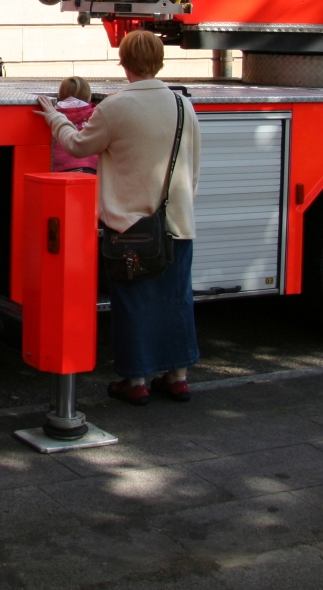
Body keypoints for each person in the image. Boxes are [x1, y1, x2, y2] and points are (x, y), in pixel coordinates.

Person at [36, 31, 202, 405]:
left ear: (123, 62)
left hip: (130, 227)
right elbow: (193, 166)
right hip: (177, 223)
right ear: (160, 61)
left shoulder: (115, 107)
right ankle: (178, 376)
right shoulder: (183, 106)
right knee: (176, 300)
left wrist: (53, 117)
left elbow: (79, 146)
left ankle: (136, 381)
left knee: (135, 305)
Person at [49, 77, 96, 174]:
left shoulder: (52, 113)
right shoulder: (96, 113)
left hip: (60, 168)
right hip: (91, 168)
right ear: (87, 94)